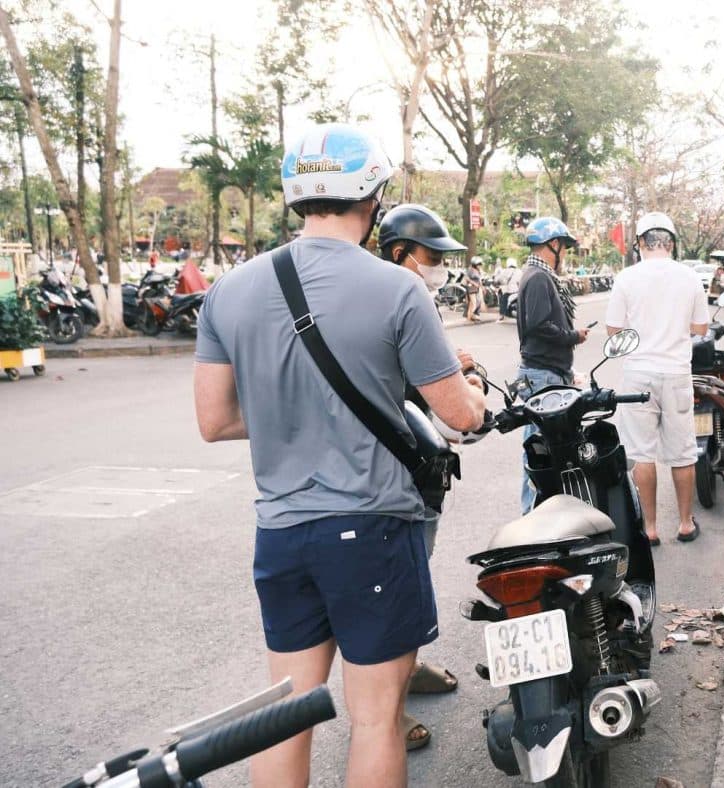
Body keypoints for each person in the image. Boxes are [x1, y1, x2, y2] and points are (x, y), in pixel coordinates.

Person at [193, 123, 486, 788]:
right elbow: (458, 414)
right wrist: (475, 397)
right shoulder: (397, 288)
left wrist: (287, 414)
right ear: (373, 197)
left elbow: (214, 421)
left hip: (281, 533)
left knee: (287, 714)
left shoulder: (229, 291)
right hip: (373, 530)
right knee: (376, 719)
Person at [375, 202, 476, 752]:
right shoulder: (385, 298)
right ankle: (384, 710)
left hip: (422, 464)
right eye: (431, 256)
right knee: (392, 588)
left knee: (415, 572)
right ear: (399, 254)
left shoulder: (418, 301)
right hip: (389, 470)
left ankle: (407, 670)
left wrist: (449, 366)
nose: (439, 265)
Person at [605, 212, 709, 543]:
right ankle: (685, 524)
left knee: (642, 452)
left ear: (639, 244)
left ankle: (649, 528)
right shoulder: (689, 277)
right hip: (677, 372)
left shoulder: (626, 277)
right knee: (683, 452)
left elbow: (613, 330)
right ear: (671, 243)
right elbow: (702, 328)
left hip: (638, 374)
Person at [516, 216, 589, 512]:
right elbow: (539, 325)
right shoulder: (538, 277)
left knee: (550, 451)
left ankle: (546, 513)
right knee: (538, 453)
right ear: (554, 244)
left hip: (549, 373)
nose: (566, 254)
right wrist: (573, 336)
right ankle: (531, 515)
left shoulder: (539, 275)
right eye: (565, 247)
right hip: (541, 376)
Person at [495, 257, 521, 322]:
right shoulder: (519, 271)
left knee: (503, 300)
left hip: (509, 291)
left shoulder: (505, 271)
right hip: (518, 291)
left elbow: (499, 279)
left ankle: (501, 316)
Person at [463, 256, 484, 322]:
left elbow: (479, 280)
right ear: (474, 264)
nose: (480, 265)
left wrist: (482, 287)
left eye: (480, 264)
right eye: (478, 264)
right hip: (471, 288)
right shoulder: (470, 270)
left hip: (476, 288)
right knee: (473, 303)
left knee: (477, 302)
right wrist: (474, 283)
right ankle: (469, 318)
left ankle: (471, 317)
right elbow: (466, 278)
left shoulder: (478, 270)